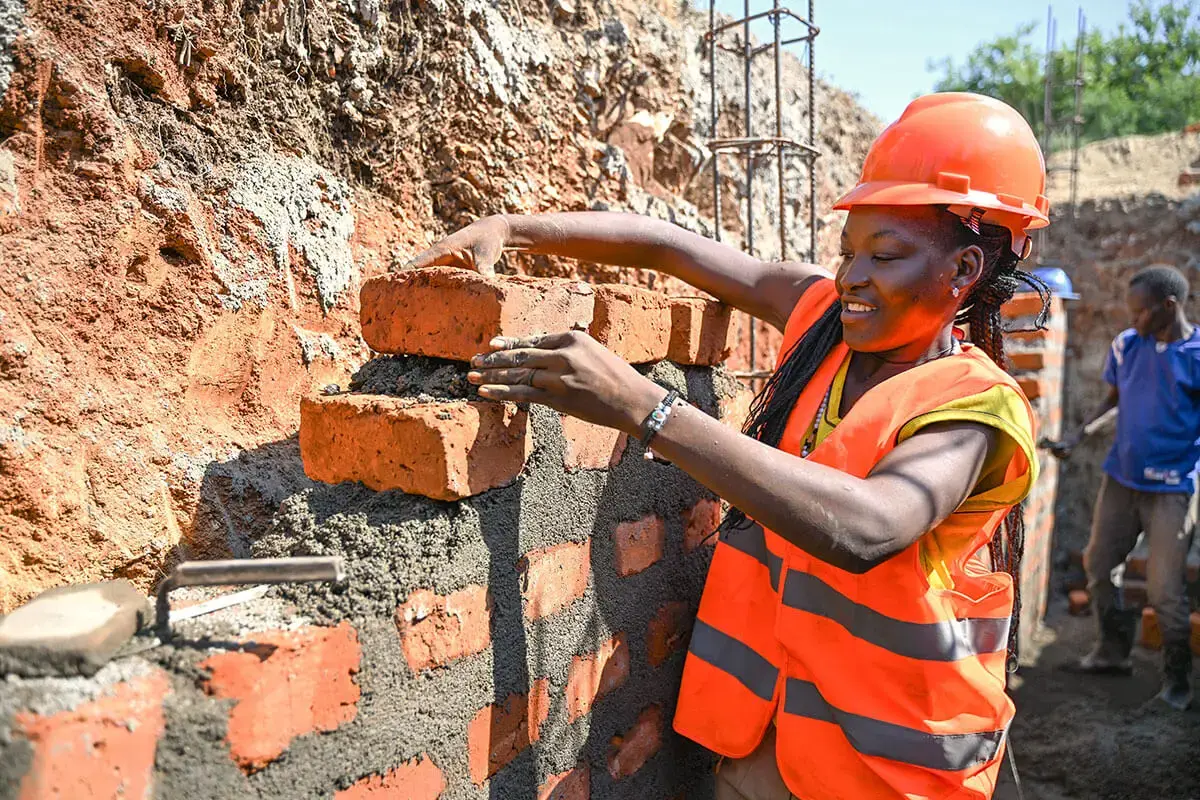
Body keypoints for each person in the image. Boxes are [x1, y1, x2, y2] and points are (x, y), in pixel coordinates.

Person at [411, 93, 1047, 800]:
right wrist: (514, 228)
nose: (851, 277)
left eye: (886, 255)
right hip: (761, 749)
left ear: (963, 271)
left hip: (888, 773)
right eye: (849, 252)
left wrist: (643, 406)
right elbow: (670, 246)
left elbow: (868, 527)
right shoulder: (824, 327)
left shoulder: (975, 411)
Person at [1049, 264, 1198, 711]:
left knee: (1165, 589)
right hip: (1122, 477)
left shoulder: (1195, 355)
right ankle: (1112, 652)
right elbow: (1116, 398)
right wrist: (1078, 435)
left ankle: (1177, 681)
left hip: (1172, 487)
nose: (1133, 321)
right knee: (1098, 564)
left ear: (1169, 308)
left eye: (1141, 313)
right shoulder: (1128, 345)